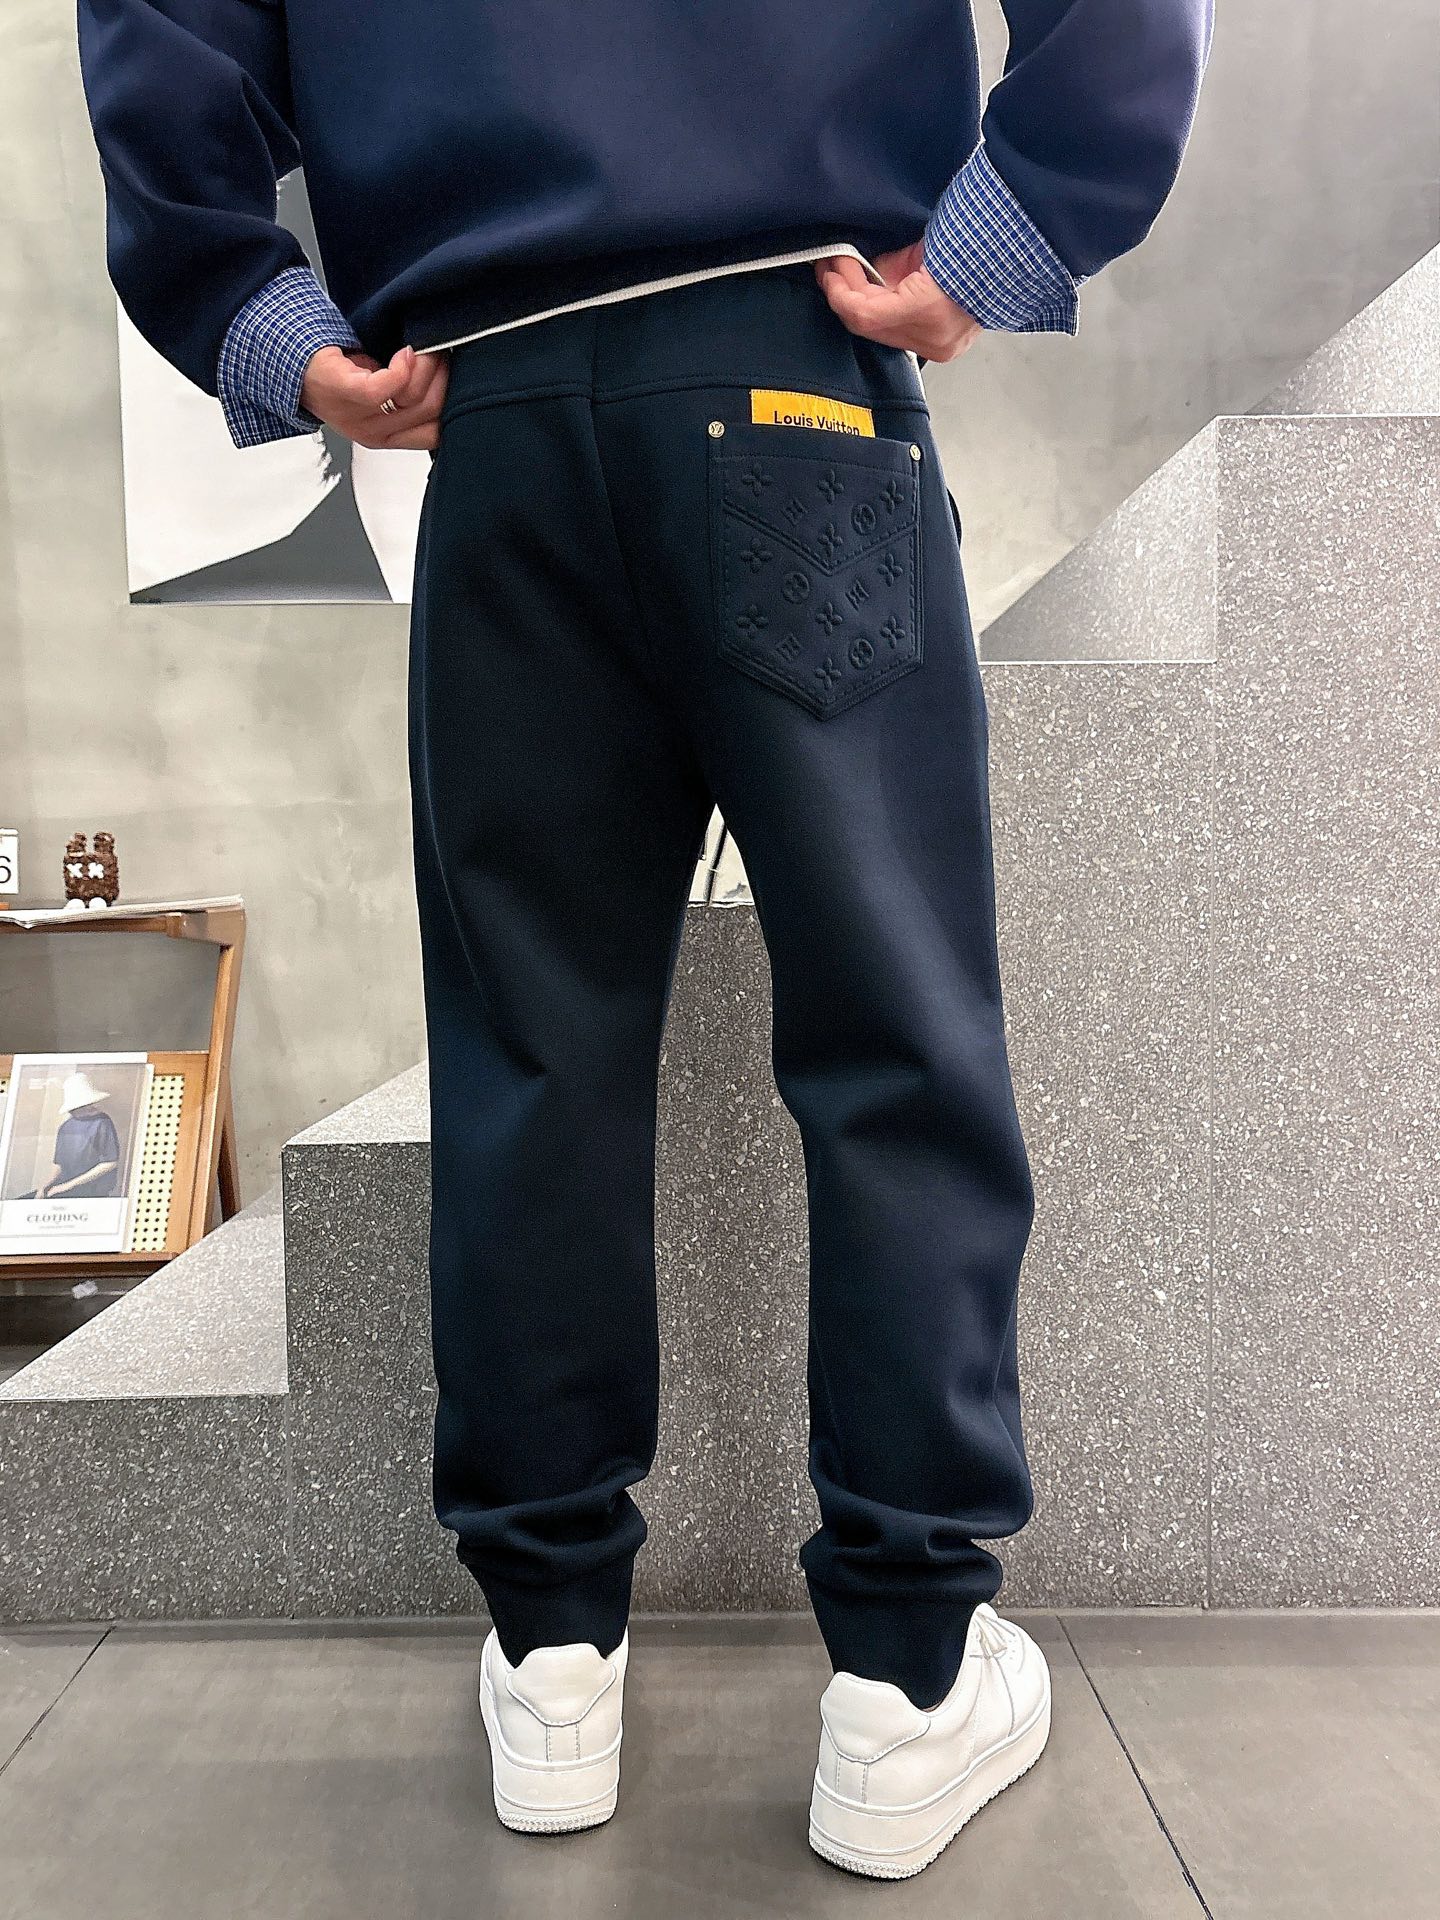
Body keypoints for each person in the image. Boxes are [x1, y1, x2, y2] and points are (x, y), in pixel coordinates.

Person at [76, 0, 1211, 1879]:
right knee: (895, 1045)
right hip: (794, 372)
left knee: (534, 1059)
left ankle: (552, 1658)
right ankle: (907, 1682)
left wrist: (264, 322)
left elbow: (162, 34)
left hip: (501, 425)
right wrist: (1015, 225)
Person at [29, 1073, 120, 1202]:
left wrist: (68, 1186)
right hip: (63, 1188)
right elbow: (59, 1165)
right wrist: (44, 1186)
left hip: (91, 1190)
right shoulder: (65, 1127)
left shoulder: (102, 1122)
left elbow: (110, 1163)